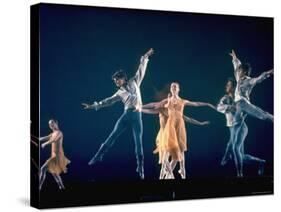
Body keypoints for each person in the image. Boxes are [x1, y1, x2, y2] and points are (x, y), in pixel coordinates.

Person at [82, 48, 154, 179]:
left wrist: (145, 57)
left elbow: (141, 69)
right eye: (115, 81)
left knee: (138, 142)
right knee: (113, 135)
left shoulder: (134, 81)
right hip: (126, 115)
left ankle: (141, 167)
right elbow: (107, 101)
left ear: (123, 78)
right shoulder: (119, 93)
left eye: (117, 80)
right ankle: (98, 156)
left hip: (137, 116)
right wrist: (93, 106)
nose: (116, 82)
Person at [141, 100, 210, 179]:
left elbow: (188, 119)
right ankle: (168, 174)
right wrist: (141, 108)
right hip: (163, 135)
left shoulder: (174, 114)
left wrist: (200, 123)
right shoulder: (160, 109)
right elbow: (150, 108)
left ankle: (171, 174)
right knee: (165, 159)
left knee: (176, 157)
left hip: (171, 136)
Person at [160, 82, 215, 179]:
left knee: (180, 150)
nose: (173, 88)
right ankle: (171, 174)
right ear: (170, 89)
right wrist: (142, 107)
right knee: (166, 152)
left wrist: (207, 104)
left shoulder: (183, 101)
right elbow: (156, 105)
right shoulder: (167, 100)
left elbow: (196, 104)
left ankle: (179, 171)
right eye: (172, 86)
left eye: (175, 86)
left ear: (178, 89)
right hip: (171, 126)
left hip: (180, 125)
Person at [217, 78, 266, 177]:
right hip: (232, 128)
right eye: (227, 85)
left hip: (241, 127)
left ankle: (239, 174)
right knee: (241, 156)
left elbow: (248, 111)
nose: (227, 86)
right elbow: (218, 107)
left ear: (234, 87)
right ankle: (260, 162)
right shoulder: (225, 98)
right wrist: (228, 107)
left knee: (234, 147)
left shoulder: (240, 99)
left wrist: (242, 115)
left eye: (229, 85)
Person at [229, 50, 273, 122]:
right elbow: (237, 65)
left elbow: (258, 79)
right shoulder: (238, 77)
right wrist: (234, 58)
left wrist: (269, 72)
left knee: (261, 114)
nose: (238, 73)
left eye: (240, 71)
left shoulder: (249, 81)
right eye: (238, 71)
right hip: (237, 104)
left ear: (244, 72)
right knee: (235, 121)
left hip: (243, 103)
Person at [39, 119, 70, 190]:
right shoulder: (52, 134)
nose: (51, 125)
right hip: (54, 156)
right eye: (49, 124)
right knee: (54, 172)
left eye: (52, 123)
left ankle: (39, 186)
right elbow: (42, 138)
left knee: (43, 169)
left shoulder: (59, 133)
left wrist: (45, 144)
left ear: (56, 123)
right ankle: (62, 187)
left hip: (58, 156)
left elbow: (54, 140)